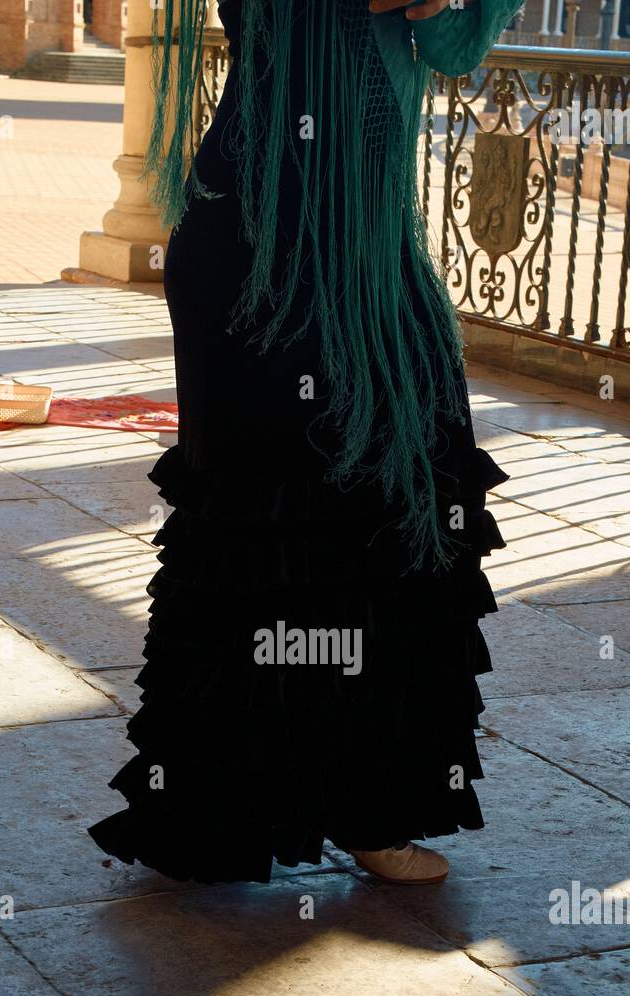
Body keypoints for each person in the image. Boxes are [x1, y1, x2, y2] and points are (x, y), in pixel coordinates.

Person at [89, 0, 520, 886]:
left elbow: (451, 45)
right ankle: (212, 814)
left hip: (363, 247)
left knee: (401, 495)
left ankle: (375, 802)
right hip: (254, 237)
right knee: (261, 524)